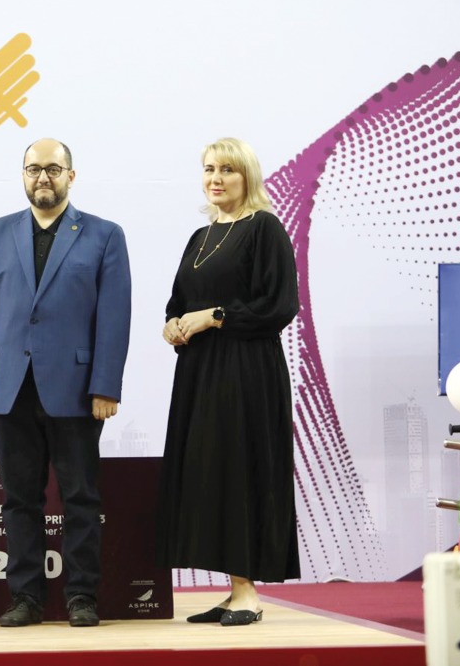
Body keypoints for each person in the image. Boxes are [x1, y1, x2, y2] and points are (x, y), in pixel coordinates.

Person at [0, 138, 131, 628]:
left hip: (77, 390)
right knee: (19, 500)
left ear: (71, 176)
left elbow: (113, 317)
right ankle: (26, 598)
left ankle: (81, 596)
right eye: (33, 169)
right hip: (8, 386)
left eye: (53, 169)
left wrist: (106, 385)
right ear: (22, 175)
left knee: (80, 498)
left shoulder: (104, 235)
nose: (43, 177)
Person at [157, 137, 299, 626]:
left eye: (227, 170)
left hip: (245, 372)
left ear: (247, 178)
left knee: (239, 470)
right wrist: (174, 324)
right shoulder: (201, 237)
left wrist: (212, 317)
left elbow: (278, 307)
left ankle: (248, 592)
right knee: (209, 473)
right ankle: (230, 588)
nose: (215, 178)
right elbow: (179, 301)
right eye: (209, 169)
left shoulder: (265, 228)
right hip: (199, 373)